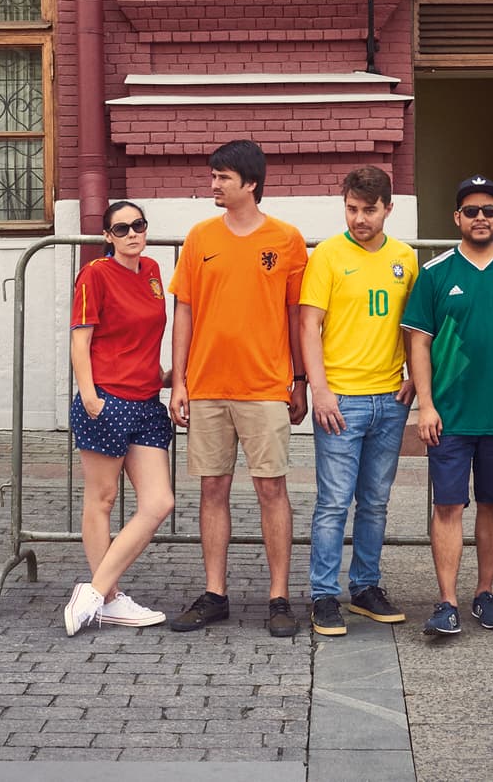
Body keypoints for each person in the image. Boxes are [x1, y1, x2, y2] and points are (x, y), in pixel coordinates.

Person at [168, 139, 310, 638]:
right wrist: (179, 379)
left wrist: (299, 379)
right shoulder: (200, 237)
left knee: (271, 488)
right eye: (213, 176)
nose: (213, 184)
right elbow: (183, 309)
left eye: (222, 177)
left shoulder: (287, 239)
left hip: (265, 385)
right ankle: (215, 593)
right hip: (207, 385)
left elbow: (297, 315)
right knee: (212, 488)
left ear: (250, 183)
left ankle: (278, 597)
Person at [401, 175, 493, 636]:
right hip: (449, 414)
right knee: (447, 504)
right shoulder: (435, 273)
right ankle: (446, 601)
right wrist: (425, 405)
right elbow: (419, 344)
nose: (480, 218)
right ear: (457, 218)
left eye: (489, 210)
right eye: (471, 211)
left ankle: (484, 593)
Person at [300, 166, 418, 636]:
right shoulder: (327, 255)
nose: (359, 219)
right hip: (341, 400)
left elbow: (414, 327)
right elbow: (309, 326)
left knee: (375, 501)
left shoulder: (405, 259)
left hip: (390, 397)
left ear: (389, 208)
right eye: (351, 209)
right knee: (332, 502)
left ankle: (366, 587)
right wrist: (320, 389)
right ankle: (323, 595)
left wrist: (413, 376)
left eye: (369, 210)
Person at [62, 201, 176, 636]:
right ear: (107, 236)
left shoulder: (151, 270)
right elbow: (80, 341)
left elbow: (147, 333)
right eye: (121, 228)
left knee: (159, 501)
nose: (133, 233)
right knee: (102, 499)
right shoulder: (95, 275)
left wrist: (164, 375)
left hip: (147, 401)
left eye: (139, 225)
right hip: (107, 399)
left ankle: (94, 592)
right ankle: (108, 599)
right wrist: (91, 398)